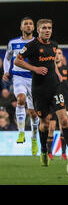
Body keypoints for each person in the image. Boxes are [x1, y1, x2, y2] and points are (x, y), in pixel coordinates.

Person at [14, 19, 68, 167]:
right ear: (38, 30)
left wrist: (57, 73)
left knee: (64, 120)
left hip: (55, 87)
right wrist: (34, 69)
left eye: (50, 28)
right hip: (39, 90)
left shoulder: (54, 45)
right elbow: (17, 61)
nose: (47, 30)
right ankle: (44, 151)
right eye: (44, 28)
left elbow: (52, 61)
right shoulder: (31, 46)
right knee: (44, 124)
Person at [2, 17, 39, 155]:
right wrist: (6, 71)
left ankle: (34, 138)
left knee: (34, 114)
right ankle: (21, 132)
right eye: (26, 24)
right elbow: (7, 58)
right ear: (21, 27)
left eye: (30, 24)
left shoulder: (38, 42)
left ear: (34, 27)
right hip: (18, 77)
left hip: (34, 79)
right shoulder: (13, 43)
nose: (28, 26)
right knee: (21, 99)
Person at [47, 48, 68, 160]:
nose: (57, 56)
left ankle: (63, 153)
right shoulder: (50, 69)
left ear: (62, 56)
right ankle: (49, 153)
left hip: (64, 102)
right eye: (55, 54)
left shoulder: (67, 70)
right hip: (52, 102)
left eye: (59, 54)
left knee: (64, 126)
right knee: (51, 127)